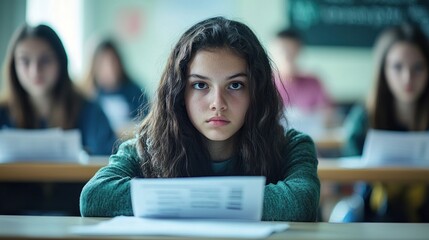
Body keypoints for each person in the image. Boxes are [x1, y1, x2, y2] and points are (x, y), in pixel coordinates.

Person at [80, 17, 320, 221]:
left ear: (256, 92)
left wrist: (175, 200)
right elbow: (95, 196)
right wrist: (227, 202)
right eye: (200, 85)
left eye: (235, 85)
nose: (218, 102)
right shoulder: (149, 146)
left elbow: (301, 203)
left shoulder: (291, 145)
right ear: (178, 93)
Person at [0, 24, 117, 215]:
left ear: (61, 62)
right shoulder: (2, 112)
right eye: (24, 61)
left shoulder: (88, 110)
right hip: (10, 216)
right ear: (13, 65)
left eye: (45, 60)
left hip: (74, 214)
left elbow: (110, 158)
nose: (35, 70)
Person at [339, 23, 429, 222]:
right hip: (374, 214)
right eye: (398, 67)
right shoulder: (363, 117)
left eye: (418, 67)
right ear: (383, 70)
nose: (408, 78)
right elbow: (349, 167)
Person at [81, 38, 149, 137]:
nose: (109, 68)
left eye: (113, 62)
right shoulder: (87, 96)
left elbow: (146, 123)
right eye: (103, 64)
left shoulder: (135, 91)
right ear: (94, 66)